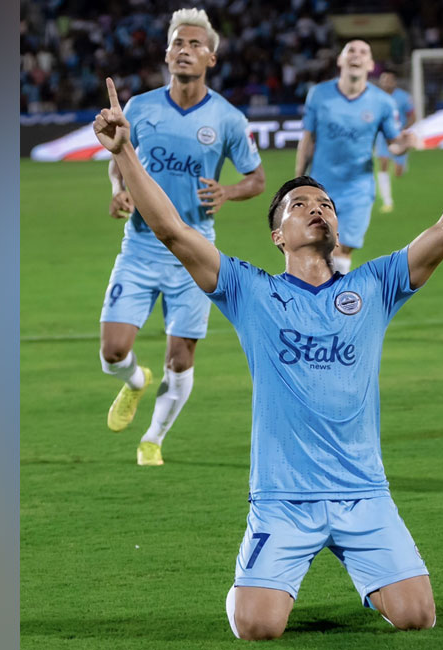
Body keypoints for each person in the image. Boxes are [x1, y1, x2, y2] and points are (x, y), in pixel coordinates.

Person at [96, 73, 443, 638]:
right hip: (283, 499)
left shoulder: (376, 285)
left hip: (363, 493)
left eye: (325, 204)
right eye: (300, 204)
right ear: (277, 235)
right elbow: (174, 230)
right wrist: (126, 152)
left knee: (417, 616)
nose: (318, 209)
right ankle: (260, 580)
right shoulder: (248, 290)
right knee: (256, 627)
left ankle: (358, 561)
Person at [101, 8, 265, 466]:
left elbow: (257, 178)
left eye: (195, 44)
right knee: (113, 353)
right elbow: (119, 160)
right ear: (167, 53)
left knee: (180, 358)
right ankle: (134, 382)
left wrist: (228, 191)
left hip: (194, 249)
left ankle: (152, 438)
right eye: (178, 43)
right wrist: (118, 191)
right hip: (139, 245)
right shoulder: (140, 108)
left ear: (211, 57)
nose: (185, 50)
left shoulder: (228, 119)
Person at [294, 40, 416, 275]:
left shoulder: (382, 102)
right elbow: (307, 140)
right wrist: (296, 184)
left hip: (357, 191)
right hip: (319, 188)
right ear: (340, 60)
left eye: (363, 52)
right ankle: (329, 301)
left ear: (370, 65)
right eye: (350, 50)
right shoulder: (319, 95)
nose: (356, 55)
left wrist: (406, 145)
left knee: (341, 250)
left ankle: (331, 303)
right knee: (317, 249)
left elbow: (394, 146)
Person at [372, 68, 416, 213]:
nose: (386, 82)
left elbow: (412, 116)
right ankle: (387, 201)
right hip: (382, 137)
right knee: (383, 164)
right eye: (384, 80)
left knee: (398, 173)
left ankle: (403, 163)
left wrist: (405, 130)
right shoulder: (375, 98)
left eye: (389, 80)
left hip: (399, 137)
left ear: (394, 82)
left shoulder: (403, 97)